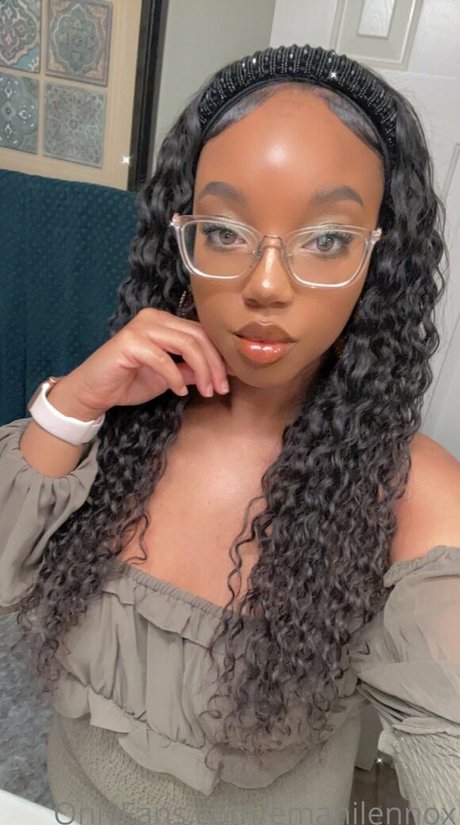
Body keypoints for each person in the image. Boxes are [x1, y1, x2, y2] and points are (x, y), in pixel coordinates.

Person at [1, 43, 459, 825]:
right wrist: (73, 402)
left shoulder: (412, 494)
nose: (265, 285)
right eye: (224, 231)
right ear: (181, 239)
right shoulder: (121, 426)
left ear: (377, 258)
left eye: (326, 239)